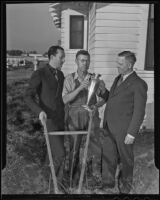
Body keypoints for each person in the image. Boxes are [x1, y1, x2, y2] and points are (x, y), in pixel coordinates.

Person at [99, 51, 148, 194]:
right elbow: (112, 98)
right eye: (117, 62)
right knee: (108, 156)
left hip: (124, 130)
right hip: (109, 126)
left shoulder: (139, 84)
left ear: (130, 65)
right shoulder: (118, 78)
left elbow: (139, 111)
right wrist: (102, 91)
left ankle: (125, 188)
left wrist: (132, 133)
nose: (117, 66)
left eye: (120, 64)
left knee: (126, 160)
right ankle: (107, 184)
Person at [62, 50, 106, 187]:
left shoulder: (95, 78)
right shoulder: (69, 79)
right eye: (82, 60)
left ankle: (94, 177)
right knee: (74, 149)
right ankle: (71, 178)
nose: (85, 63)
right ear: (76, 61)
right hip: (74, 116)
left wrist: (96, 106)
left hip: (91, 115)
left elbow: (105, 97)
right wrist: (80, 87)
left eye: (87, 60)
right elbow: (65, 99)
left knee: (95, 147)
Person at [25, 46, 66, 190]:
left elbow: (60, 99)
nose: (64, 60)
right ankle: (54, 185)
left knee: (53, 154)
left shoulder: (61, 75)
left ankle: (46, 181)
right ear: (52, 56)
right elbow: (27, 96)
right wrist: (39, 111)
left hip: (61, 119)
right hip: (48, 120)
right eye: (62, 57)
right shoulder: (40, 73)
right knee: (60, 154)